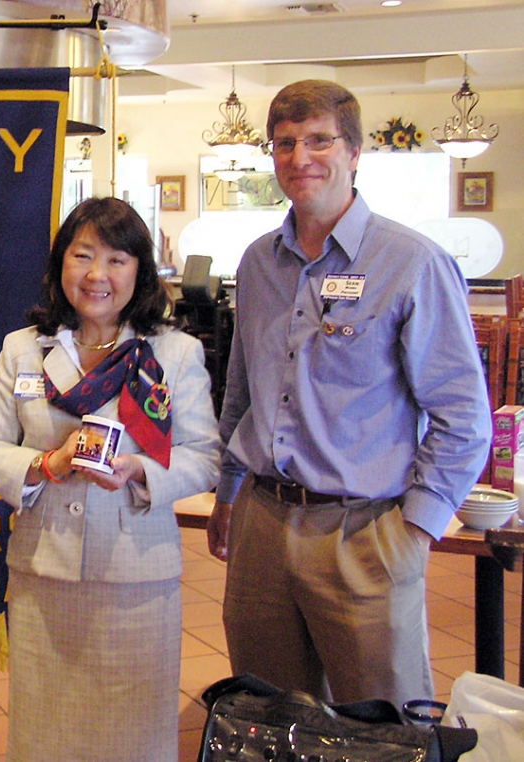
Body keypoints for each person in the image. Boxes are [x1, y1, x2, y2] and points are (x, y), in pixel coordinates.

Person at [207, 80, 491, 708]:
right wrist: (227, 493)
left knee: (383, 724)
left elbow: (464, 416)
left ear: (355, 151)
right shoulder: (258, 263)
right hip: (262, 522)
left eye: (319, 140)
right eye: (285, 144)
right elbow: (241, 391)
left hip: (363, 530)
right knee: (267, 717)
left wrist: (415, 529)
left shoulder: (411, 262)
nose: (300, 157)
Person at [0, 197, 220, 762]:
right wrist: (42, 465)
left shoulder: (172, 354)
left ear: (140, 271)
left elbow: (204, 457)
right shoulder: (24, 349)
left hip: (137, 576)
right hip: (43, 575)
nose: (96, 275)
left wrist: (139, 472)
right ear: (61, 265)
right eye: (82, 256)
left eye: (116, 259)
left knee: (134, 737)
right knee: (43, 736)